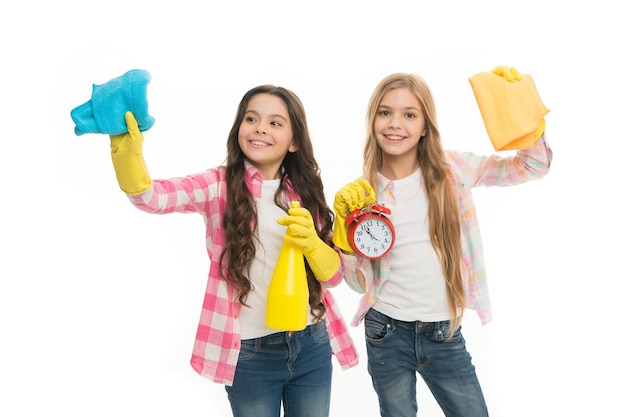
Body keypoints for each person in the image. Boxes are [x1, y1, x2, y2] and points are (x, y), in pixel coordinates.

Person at [106, 85, 358, 417]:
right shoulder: (218, 185)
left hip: (312, 343)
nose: (260, 128)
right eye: (251, 118)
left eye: (275, 123)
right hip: (251, 354)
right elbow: (152, 198)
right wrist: (128, 155)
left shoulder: (306, 192)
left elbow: (334, 276)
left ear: (295, 141)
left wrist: (313, 242)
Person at [332, 69, 552, 417]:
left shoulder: (453, 169)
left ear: (425, 126)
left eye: (409, 114)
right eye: (385, 112)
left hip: (443, 331)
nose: (395, 124)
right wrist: (342, 240)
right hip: (384, 330)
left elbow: (533, 166)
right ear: (373, 119)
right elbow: (359, 283)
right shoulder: (362, 193)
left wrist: (523, 112)